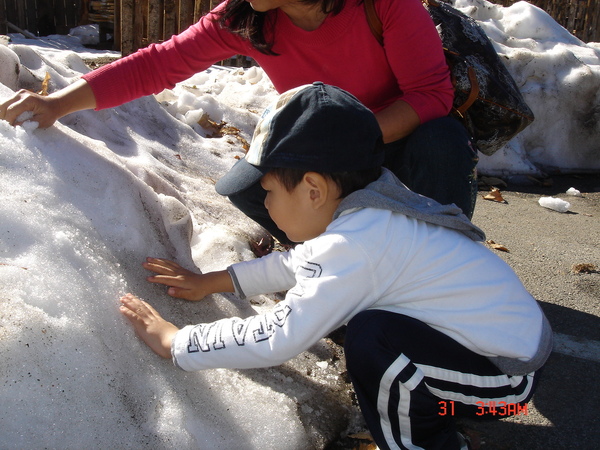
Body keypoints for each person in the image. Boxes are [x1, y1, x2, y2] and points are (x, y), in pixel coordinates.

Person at [119, 83, 551, 450]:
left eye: (268, 191)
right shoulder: (370, 207)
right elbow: (299, 263)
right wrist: (215, 281)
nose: (264, 203)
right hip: (491, 359)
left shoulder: (355, 243)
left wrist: (177, 343)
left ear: (312, 190)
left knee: (372, 339)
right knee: (373, 333)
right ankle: (428, 412)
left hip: (504, 387)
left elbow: (278, 336)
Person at [0, 0, 478, 244]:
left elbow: (431, 94)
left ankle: (445, 267)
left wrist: (349, 139)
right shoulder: (247, 18)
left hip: (403, 137)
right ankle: (339, 274)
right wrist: (58, 104)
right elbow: (156, 64)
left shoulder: (384, 6)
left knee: (443, 142)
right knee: (246, 186)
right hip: (328, 149)